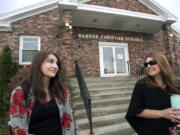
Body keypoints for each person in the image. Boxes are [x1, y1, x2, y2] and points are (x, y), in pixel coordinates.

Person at [9, 51, 75, 135]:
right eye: (51, 61)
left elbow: (68, 119)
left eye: (57, 63)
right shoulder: (20, 93)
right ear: (38, 64)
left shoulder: (60, 90)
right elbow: (19, 130)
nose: (55, 66)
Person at [125, 53, 180, 135]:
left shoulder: (175, 85)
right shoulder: (141, 85)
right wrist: (162, 113)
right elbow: (135, 111)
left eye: (152, 63)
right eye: (146, 64)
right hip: (153, 130)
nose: (148, 66)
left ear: (163, 63)